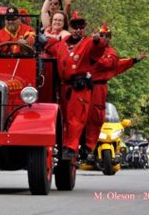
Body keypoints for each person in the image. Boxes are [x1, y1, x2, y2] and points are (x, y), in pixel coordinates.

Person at [45, 11, 105, 159]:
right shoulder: (63, 43)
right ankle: (63, 144)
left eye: (81, 27)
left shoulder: (89, 43)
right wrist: (42, 41)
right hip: (64, 86)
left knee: (76, 118)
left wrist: (98, 41)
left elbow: (98, 50)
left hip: (80, 87)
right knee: (63, 118)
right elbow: (51, 48)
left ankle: (71, 147)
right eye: (75, 26)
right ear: (70, 27)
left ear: (84, 28)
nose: (78, 30)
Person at [82, 24, 147, 157]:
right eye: (101, 35)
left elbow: (114, 64)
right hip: (81, 86)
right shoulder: (87, 47)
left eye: (106, 36)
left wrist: (135, 60)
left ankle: (88, 146)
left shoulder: (111, 53)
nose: (104, 38)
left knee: (96, 117)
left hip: (98, 88)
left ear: (109, 39)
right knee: (79, 114)